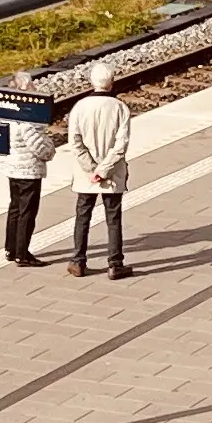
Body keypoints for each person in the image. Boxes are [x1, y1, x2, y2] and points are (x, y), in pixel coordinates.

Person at [63, 60, 136, 278]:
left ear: (91, 83)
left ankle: (78, 261)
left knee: (82, 215)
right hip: (112, 174)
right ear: (111, 83)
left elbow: (75, 142)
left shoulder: (79, 107)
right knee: (113, 217)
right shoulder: (121, 108)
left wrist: (91, 169)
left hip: (86, 176)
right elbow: (121, 144)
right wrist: (103, 170)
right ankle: (115, 263)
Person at [1, 100, 58, 265]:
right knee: (27, 212)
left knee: (15, 209)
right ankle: (22, 254)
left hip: (12, 168)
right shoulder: (26, 118)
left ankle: (10, 249)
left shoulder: (8, 112)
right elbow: (38, 146)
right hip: (28, 170)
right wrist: (50, 150)